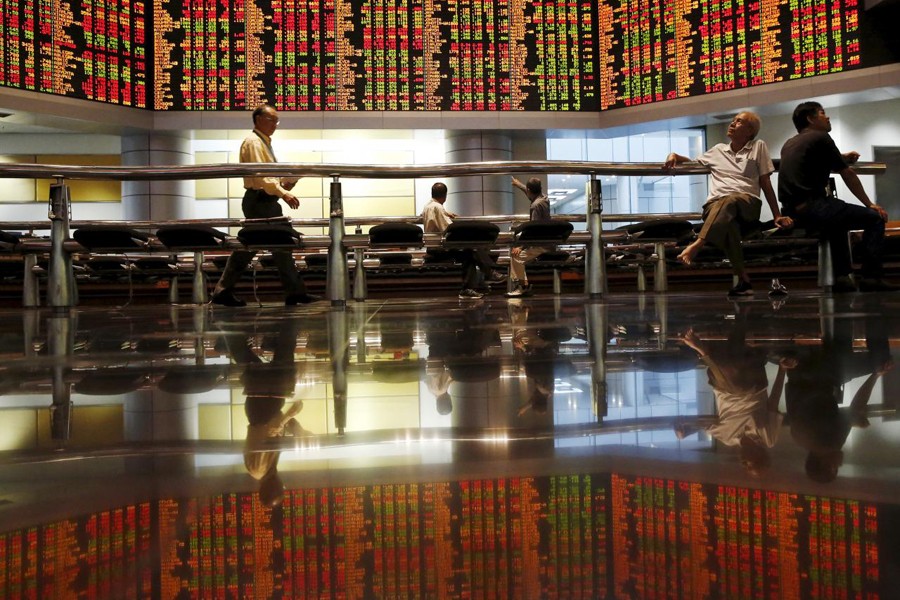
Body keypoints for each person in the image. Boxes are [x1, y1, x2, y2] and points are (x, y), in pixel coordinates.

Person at [664, 111, 792, 296]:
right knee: (728, 225)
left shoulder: (758, 146)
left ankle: (698, 243)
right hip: (715, 206)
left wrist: (777, 215)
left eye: (739, 122)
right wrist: (673, 155)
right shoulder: (717, 150)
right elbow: (691, 161)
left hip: (747, 203)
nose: (732, 123)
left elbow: (765, 183)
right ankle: (744, 281)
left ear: (750, 131)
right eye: (733, 121)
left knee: (730, 199)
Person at [778, 101, 896, 293]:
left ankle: (843, 278)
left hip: (792, 211)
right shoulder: (821, 137)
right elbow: (847, 174)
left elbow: (815, 162)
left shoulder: (791, 143)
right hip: (814, 206)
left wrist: (841, 157)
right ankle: (871, 277)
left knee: (837, 220)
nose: (828, 117)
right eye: (823, 113)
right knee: (874, 219)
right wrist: (870, 204)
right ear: (811, 119)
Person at [211, 104, 320, 307]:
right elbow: (261, 176)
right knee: (268, 244)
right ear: (259, 119)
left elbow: (267, 178)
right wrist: (284, 192)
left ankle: (224, 290)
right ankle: (293, 292)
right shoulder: (254, 142)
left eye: (276, 121)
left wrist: (285, 184)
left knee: (263, 245)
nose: (275, 125)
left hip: (263, 201)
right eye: (272, 120)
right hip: (259, 201)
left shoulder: (263, 142)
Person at [420, 182, 503, 300]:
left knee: (470, 252)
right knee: (471, 251)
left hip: (433, 247)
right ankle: (487, 274)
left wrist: (445, 212)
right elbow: (449, 228)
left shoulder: (428, 206)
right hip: (439, 249)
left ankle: (480, 280)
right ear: (445, 195)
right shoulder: (438, 207)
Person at [506, 177, 552, 298]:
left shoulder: (535, 206)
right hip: (548, 241)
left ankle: (522, 287)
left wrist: (521, 246)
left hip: (541, 245)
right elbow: (530, 193)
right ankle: (524, 284)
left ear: (529, 190)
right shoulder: (545, 198)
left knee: (516, 255)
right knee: (517, 253)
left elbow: (533, 229)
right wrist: (518, 185)